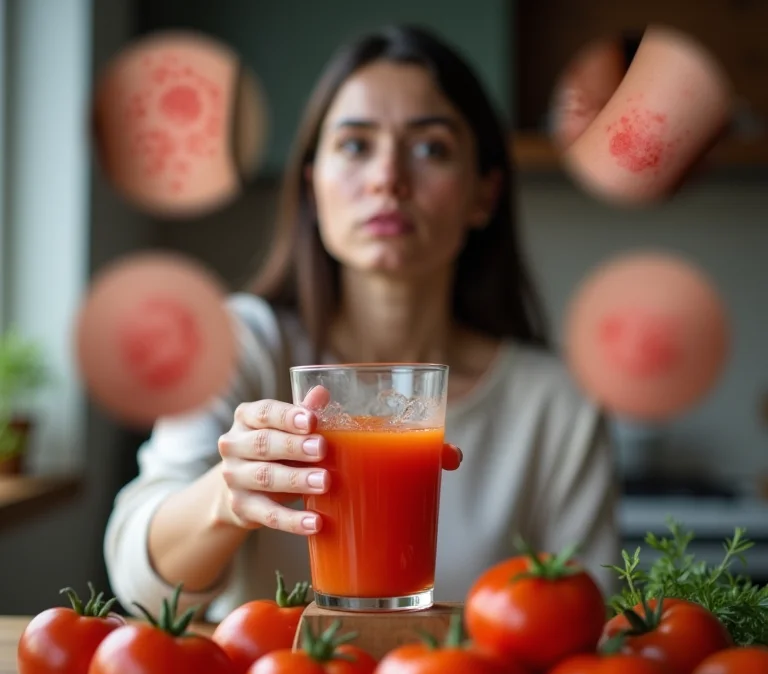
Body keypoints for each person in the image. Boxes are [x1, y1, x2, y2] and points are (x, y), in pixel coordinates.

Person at [103, 24, 621, 622]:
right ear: (312, 185)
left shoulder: (559, 404)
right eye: (354, 146)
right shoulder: (239, 342)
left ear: (484, 194)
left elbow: (589, 623)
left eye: (431, 148)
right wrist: (229, 496)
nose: (387, 179)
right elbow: (137, 582)